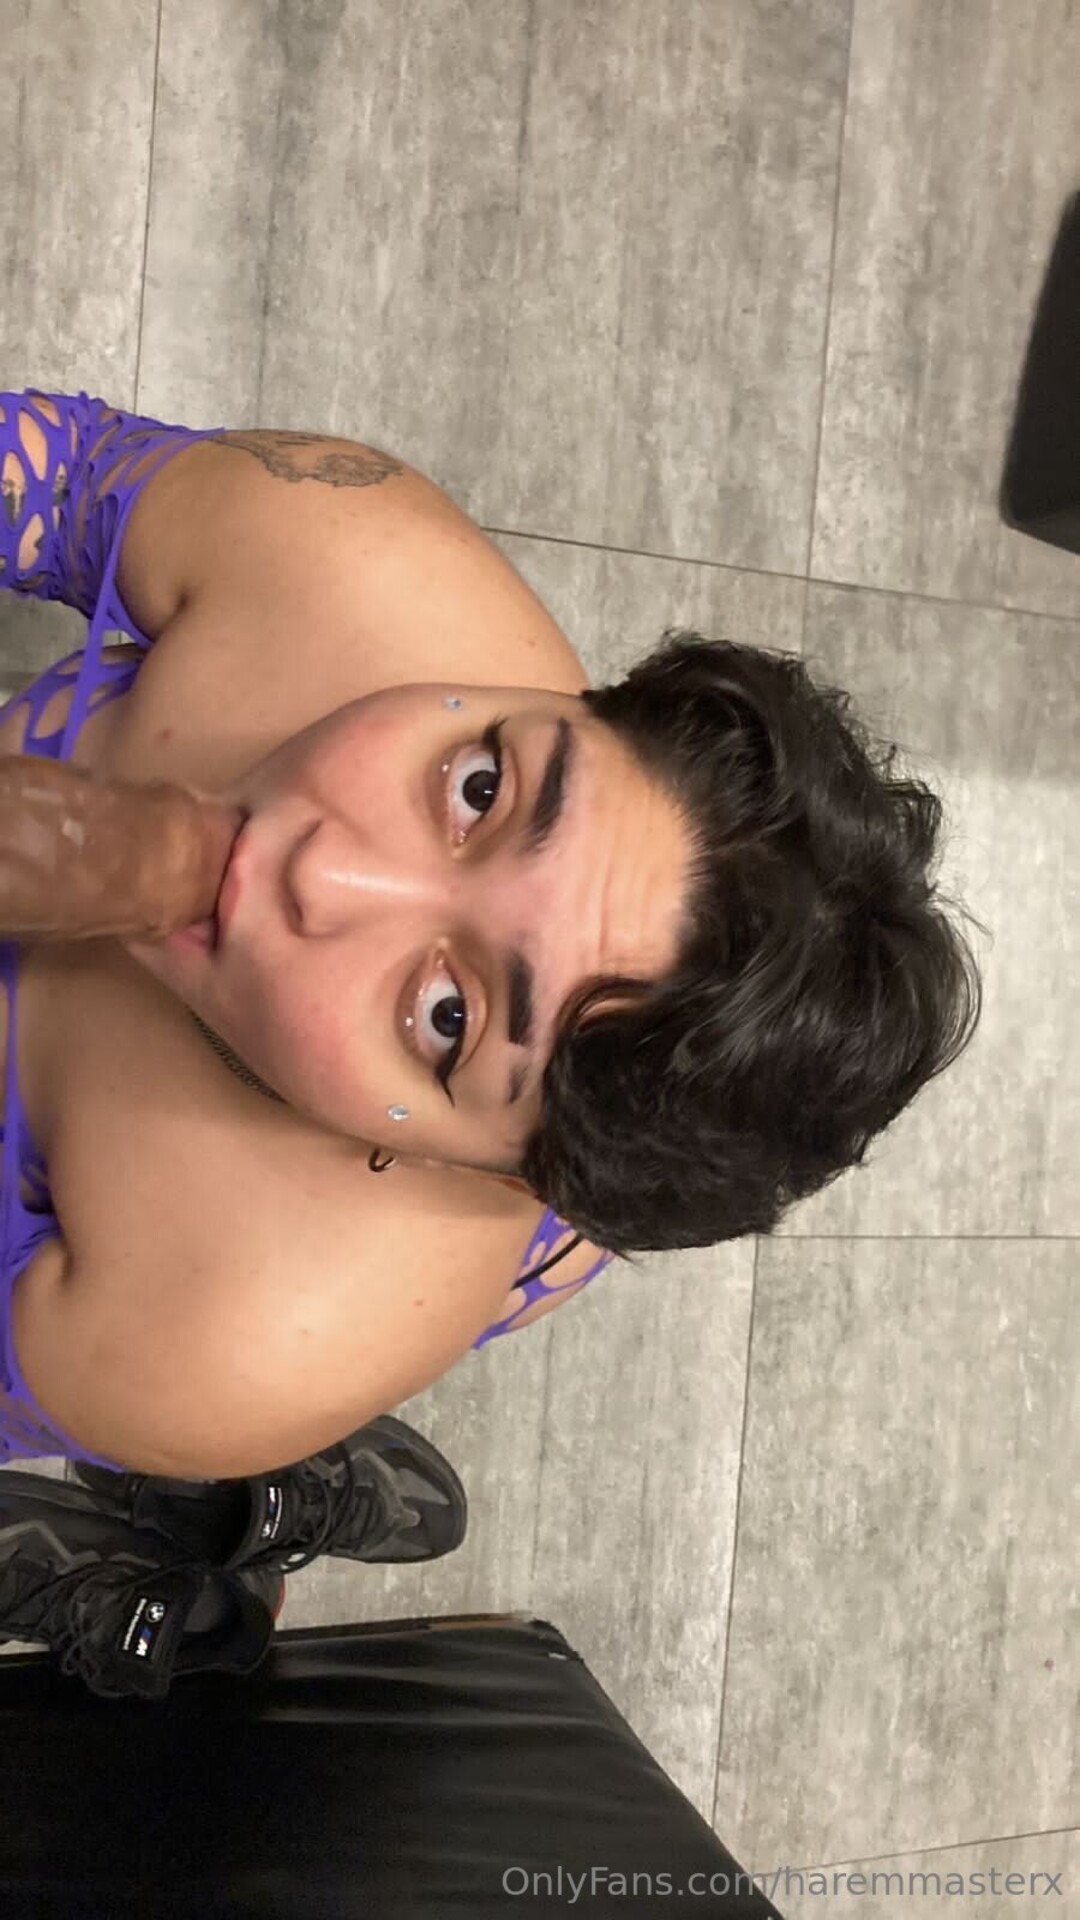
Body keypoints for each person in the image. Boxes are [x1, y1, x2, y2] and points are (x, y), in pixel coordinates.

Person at [0, 391, 981, 1479]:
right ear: (572, 705)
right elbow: (59, 480)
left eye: (448, 1017)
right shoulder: (356, 558)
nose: (317, 868)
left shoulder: (240, 1339)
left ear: (476, 1168)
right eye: (480, 789)